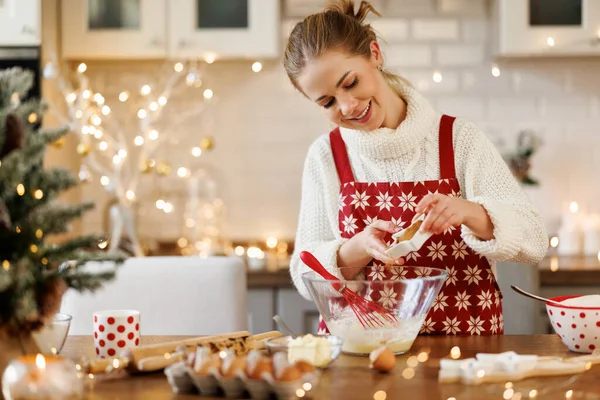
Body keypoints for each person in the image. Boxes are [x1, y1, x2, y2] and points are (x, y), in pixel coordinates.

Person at [284, 0, 549, 336]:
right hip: (362, 354)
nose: (347, 106)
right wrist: (358, 248)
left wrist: (469, 212)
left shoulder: (457, 140)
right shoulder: (325, 155)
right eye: (327, 102)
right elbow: (304, 275)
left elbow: (534, 238)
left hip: (462, 353)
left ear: (375, 55)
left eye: (350, 83)